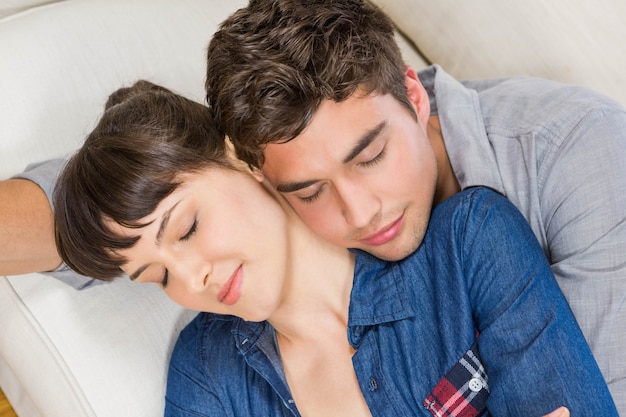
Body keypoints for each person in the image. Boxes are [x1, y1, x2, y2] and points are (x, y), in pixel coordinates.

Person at [51, 80, 613, 417]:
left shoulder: (470, 245)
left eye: (188, 228)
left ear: (242, 160)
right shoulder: (206, 377)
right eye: (158, 277)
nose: (191, 280)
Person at [204, 0, 626, 411]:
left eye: (370, 158)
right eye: (311, 192)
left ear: (415, 97)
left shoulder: (580, 151)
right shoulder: (294, 244)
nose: (359, 214)